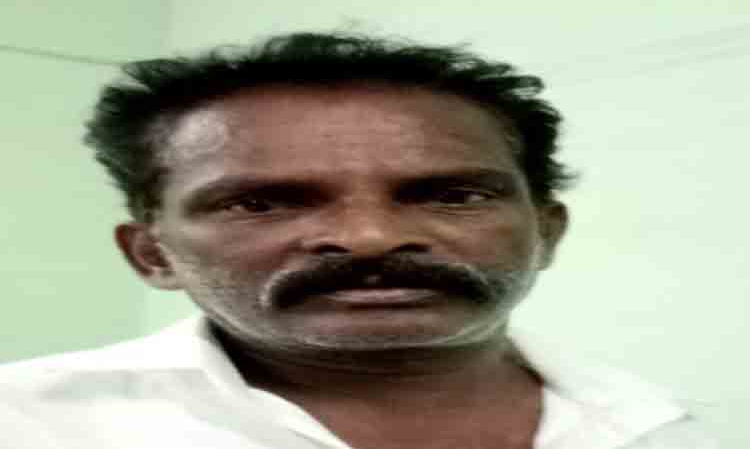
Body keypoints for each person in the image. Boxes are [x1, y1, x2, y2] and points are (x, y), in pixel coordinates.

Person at [0, 32, 718, 449]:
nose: (370, 237)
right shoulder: (29, 424)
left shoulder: (666, 429)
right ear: (152, 254)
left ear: (547, 231)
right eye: (262, 203)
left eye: (451, 194)